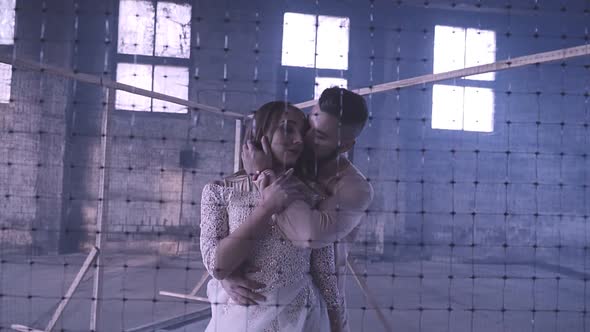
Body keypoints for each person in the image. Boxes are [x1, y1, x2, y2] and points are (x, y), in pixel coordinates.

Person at [236, 87, 374, 331]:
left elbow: (308, 235)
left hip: (319, 301)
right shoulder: (291, 158)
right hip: (257, 296)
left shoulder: (355, 189)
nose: (304, 139)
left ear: (345, 145)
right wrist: (225, 275)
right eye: (308, 125)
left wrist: (265, 173)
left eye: (320, 137)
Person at [200, 101, 345, 332]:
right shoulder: (220, 191)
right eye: (287, 129)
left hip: (301, 319)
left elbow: (324, 273)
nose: (298, 139)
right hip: (241, 321)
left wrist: (338, 324)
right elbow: (217, 266)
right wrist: (267, 207)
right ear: (261, 133)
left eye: (302, 132)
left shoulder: (313, 196)